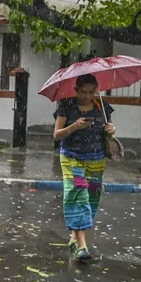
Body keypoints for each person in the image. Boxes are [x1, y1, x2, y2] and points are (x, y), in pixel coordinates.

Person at [53, 74, 116, 262]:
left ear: (96, 90)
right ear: (76, 90)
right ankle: (82, 246)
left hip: (96, 159)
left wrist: (111, 130)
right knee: (78, 194)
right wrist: (74, 126)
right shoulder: (67, 106)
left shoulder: (102, 108)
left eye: (91, 91)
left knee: (92, 197)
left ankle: (74, 237)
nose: (87, 96)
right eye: (83, 92)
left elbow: (108, 131)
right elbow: (57, 134)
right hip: (72, 157)